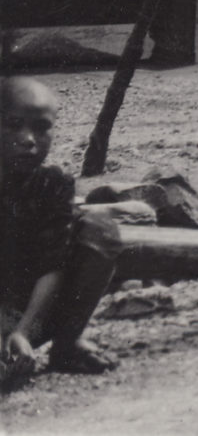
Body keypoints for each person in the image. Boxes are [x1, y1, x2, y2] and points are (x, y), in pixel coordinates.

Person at [0, 79, 121, 390]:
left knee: (100, 228)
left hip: (33, 313)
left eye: (41, 128)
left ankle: (67, 344)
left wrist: (24, 332)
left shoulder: (53, 185)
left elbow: (52, 263)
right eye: (13, 125)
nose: (29, 140)